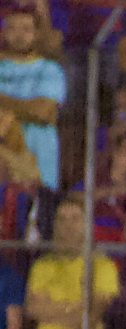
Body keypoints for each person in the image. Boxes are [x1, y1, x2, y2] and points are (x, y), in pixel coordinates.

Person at [0, 8, 63, 192]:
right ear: (3, 33)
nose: (19, 35)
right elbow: (33, 110)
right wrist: (27, 107)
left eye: (26, 29)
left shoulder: (50, 69)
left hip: (40, 165)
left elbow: (42, 112)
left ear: (36, 34)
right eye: (12, 28)